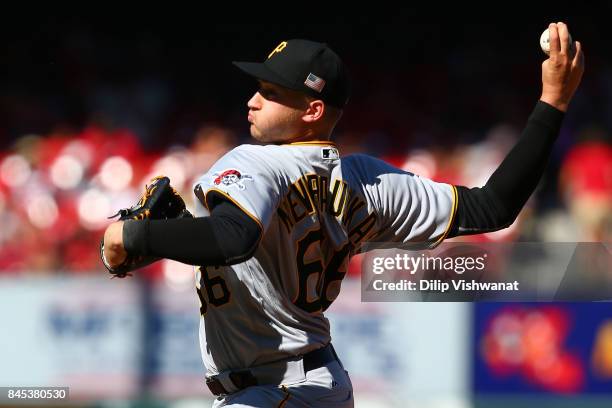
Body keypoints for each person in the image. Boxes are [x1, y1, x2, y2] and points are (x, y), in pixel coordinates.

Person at [102, 23, 584, 407]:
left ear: (312, 110)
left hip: (273, 390)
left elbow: (234, 237)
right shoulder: (366, 181)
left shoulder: (253, 161)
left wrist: (136, 235)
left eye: (271, 92)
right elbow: (493, 207)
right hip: (322, 386)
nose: (252, 99)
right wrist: (553, 102)